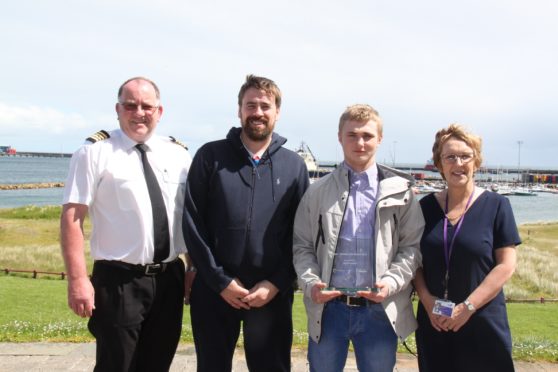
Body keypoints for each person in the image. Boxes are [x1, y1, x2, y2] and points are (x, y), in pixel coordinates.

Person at [60, 77, 193, 371]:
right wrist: (78, 280)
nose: (139, 112)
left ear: (160, 112)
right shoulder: (95, 152)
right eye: (130, 105)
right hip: (119, 281)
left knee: (157, 364)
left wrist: (192, 266)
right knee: (116, 365)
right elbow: (72, 219)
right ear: (118, 109)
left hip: (169, 279)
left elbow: (186, 218)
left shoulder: (179, 154)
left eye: (147, 106)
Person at [182, 74, 309, 372]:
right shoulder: (209, 156)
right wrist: (219, 280)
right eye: (250, 105)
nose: (258, 112)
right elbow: (192, 221)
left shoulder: (294, 166)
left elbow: (300, 233)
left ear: (277, 112)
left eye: (266, 105)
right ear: (239, 110)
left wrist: (278, 282)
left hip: (270, 294)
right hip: (215, 291)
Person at [292, 104, 424, 372]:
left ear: (380, 139)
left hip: (380, 310)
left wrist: (391, 282)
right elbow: (302, 246)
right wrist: (310, 283)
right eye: (352, 135)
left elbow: (412, 249)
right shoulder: (316, 192)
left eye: (367, 135)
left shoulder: (403, 194)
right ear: (340, 137)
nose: (360, 142)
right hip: (328, 310)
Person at [413, 124, 520, 372]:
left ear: (476, 162)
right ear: (440, 164)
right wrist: (428, 302)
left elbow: (506, 264)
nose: (458, 163)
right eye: (450, 157)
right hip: (435, 321)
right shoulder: (425, 207)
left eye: (465, 156)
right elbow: (413, 261)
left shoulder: (497, 205)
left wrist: (467, 307)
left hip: (482, 320)